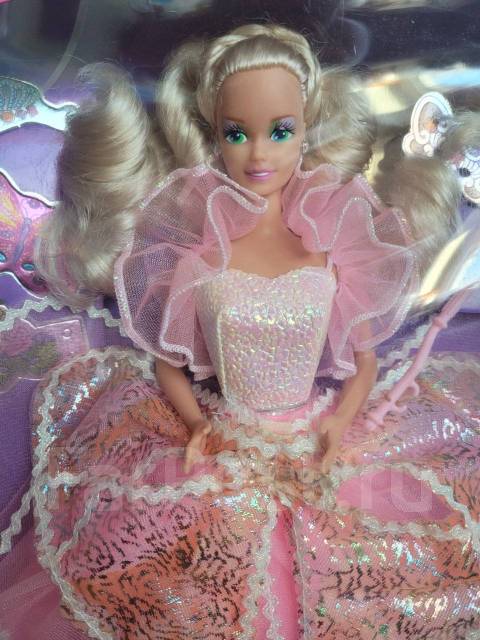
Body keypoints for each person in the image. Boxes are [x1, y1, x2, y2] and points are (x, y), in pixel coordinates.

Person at [1, 22, 479, 640]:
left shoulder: (336, 238)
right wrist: (197, 425)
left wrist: (340, 422)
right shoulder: (197, 249)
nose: (258, 155)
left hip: (315, 440)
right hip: (226, 440)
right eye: (237, 133)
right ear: (215, 135)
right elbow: (169, 361)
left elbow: (364, 362)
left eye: (280, 132)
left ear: (306, 130)